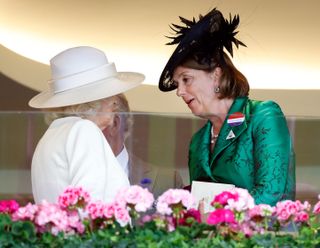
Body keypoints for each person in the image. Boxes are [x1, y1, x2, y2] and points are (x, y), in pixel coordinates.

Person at [158, 8, 295, 206]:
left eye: (186, 80)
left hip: (262, 235)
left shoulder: (262, 115)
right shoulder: (198, 142)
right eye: (177, 84)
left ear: (216, 75)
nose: (179, 92)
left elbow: (270, 193)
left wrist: (217, 215)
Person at [28, 46, 144, 204]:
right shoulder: (84, 130)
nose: (115, 103)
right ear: (94, 101)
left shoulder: (51, 135)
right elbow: (88, 206)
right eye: (110, 95)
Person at [101, 93, 184, 198]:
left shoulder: (167, 182)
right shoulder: (75, 176)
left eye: (86, 123)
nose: (76, 132)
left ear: (115, 124)